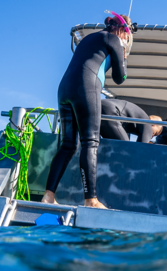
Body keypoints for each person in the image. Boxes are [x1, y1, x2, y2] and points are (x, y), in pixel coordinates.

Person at [41, 12, 131, 209]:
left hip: (64, 89)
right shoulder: (114, 39)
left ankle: (48, 196)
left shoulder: (91, 38)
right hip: (86, 87)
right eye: (128, 34)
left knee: (68, 145)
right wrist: (123, 56)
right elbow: (119, 77)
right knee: (90, 142)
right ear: (122, 29)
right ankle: (91, 200)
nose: (127, 38)